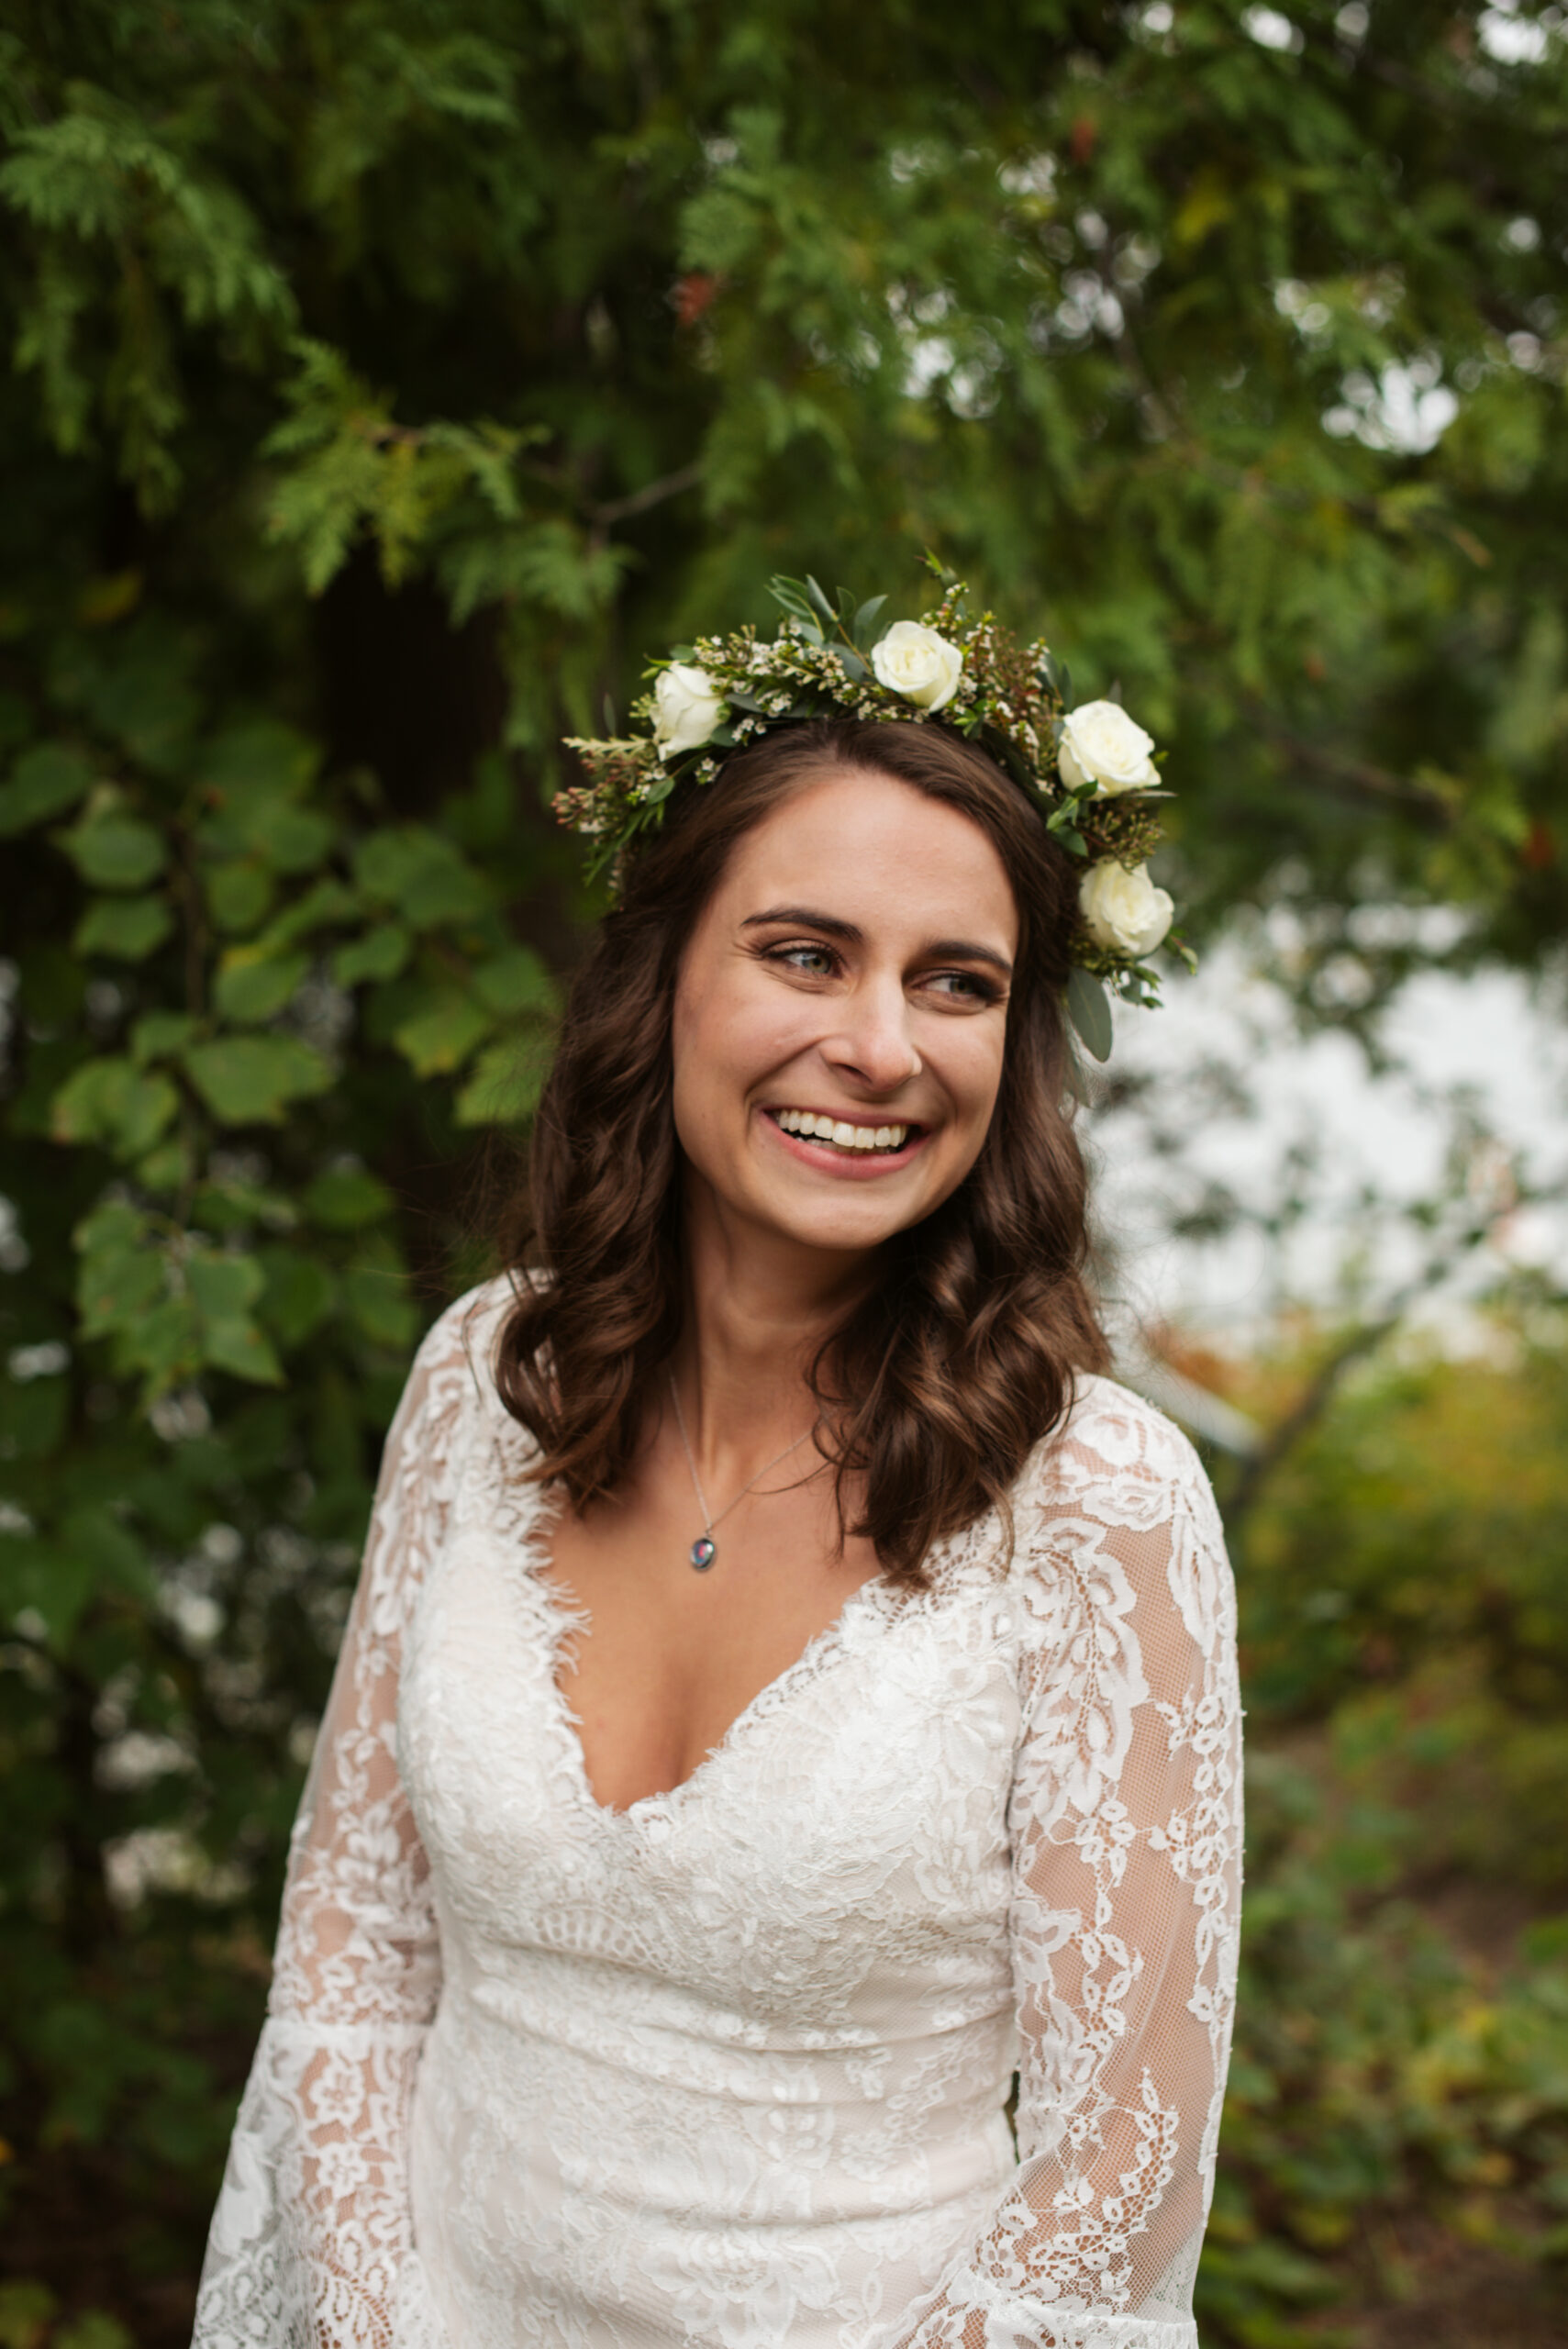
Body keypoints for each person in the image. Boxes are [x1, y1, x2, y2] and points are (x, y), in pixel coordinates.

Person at [194, 580, 1241, 2349]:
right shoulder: (480, 1381)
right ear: (661, 974)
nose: (882, 1046)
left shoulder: (1095, 1506)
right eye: (805, 953)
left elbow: (1108, 2185)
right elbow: (352, 1969)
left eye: (956, 983)